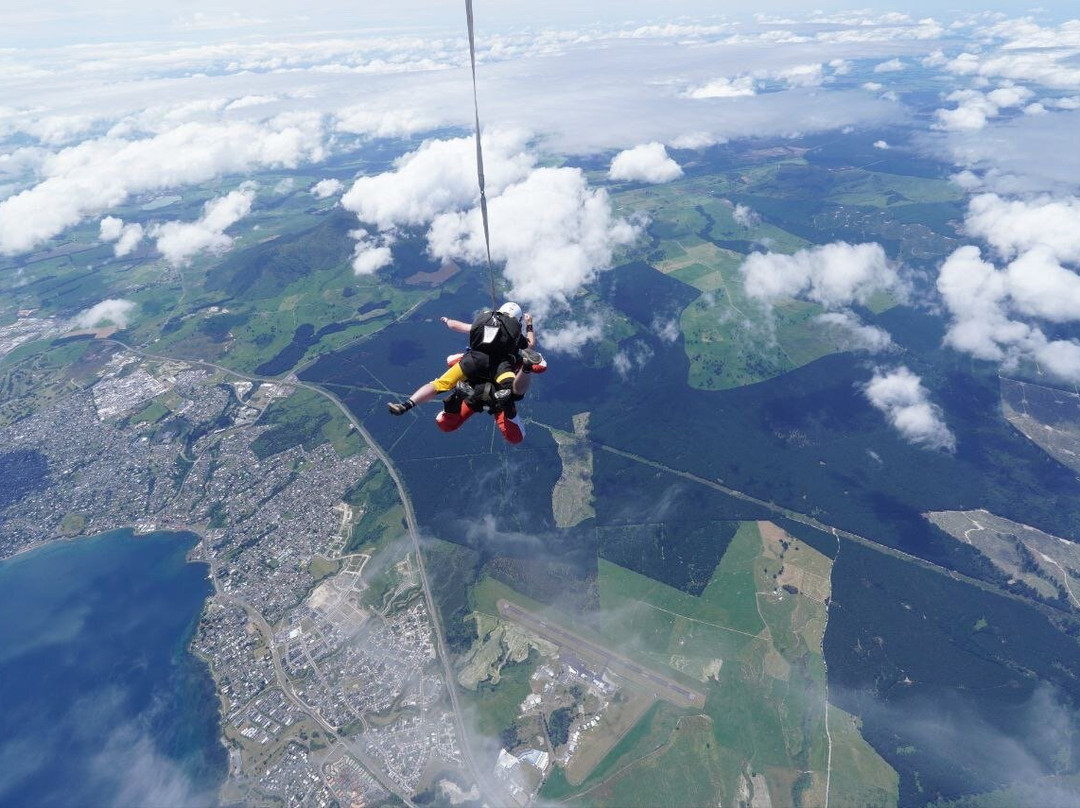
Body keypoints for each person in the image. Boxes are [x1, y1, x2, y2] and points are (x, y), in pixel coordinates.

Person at [387, 302, 544, 443]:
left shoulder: (484, 323)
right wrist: (529, 325)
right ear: (518, 320)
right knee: (515, 422)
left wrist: (447, 321)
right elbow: (531, 347)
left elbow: (459, 327)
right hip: (499, 376)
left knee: (442, 403)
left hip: (473, 371)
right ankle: (515, 389)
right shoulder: (514, 335)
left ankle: (407, 405)